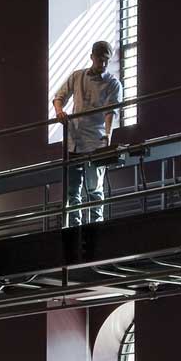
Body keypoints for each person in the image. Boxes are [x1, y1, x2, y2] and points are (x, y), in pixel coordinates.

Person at [51, 40, 122, 227]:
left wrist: (108, 136)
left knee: (94, 189)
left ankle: (95, 227)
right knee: (73, 191)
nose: (104, 64)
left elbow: (111, 112)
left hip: (96, 143)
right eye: (100, 59)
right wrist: (59, 112)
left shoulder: (113, 84)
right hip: (74, 141)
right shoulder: (77, 77)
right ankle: (75, 227)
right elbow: (59, 97)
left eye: (106, 60)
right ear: (92, 57)